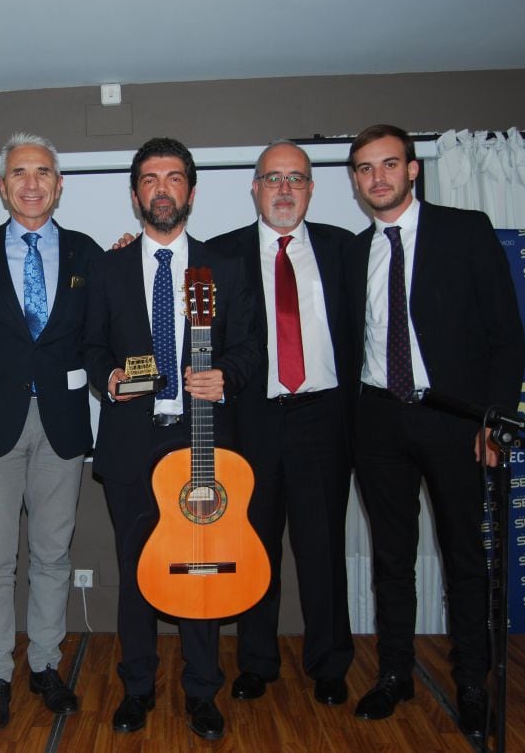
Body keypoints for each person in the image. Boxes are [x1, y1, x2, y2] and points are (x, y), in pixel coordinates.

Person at [344, 124, 524, 737]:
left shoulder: (464, 230)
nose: (378, 178)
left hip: (454, 419)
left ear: (412, 170)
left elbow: (507, 337)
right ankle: (394, 673)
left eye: (389, 164)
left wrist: (493, 422)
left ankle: (472, 682)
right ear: (356, 180)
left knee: (464, 559)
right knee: (392, 559)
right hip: (377, 419)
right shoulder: (354, 252)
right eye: (366, 169)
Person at [83, 137, 260, 740]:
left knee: (200, 569)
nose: (162, 189)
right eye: (151, 179)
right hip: (133, 444)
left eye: (174, 178)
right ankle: (137, 688)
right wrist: (108, 377)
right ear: (135, 194)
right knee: (136, 570)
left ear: (192, 189)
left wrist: (225, 376)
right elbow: (92, 347)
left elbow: (249, 349)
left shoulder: (225, 268)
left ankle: (202, 692)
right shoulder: (108, 268)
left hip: (202, 441)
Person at [0, 132, 102, 730]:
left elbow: (101, 334)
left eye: (43, 171)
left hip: (63, 424)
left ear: (59, 184)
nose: (32, 182)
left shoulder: (89, 253)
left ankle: (44, 663)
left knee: (52, 555)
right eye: (19, 171)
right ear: (1, 185)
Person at [206, 141, 355, 706]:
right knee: (254, 546)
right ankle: (256, 662)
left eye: (296, 178)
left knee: (323, 549)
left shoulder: (344, 249)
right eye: (273, 179)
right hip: (253, 421)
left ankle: (329, 664)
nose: (285, 189)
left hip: (323, 418)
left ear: (312, 189)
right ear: (255, 189)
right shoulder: (222, 255)